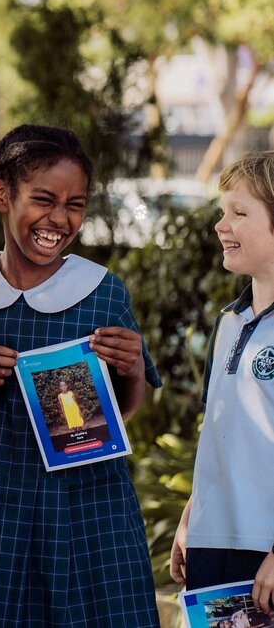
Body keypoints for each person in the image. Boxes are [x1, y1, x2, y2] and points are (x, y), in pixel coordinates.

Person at [0, 124, 162, 627]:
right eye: (43, 199)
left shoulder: (102, 294)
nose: (59, 219)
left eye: (75, 204)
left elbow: (126, 408)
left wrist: (131, 368)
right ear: (2, 194)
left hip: (89, 506)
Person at [170, 152, 274, 614]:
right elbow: (219, 432)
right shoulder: (227, 322)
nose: (220, 225)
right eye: (221, 211)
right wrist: (194, 516)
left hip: (265, 548)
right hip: (212, 542)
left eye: (239, 212)